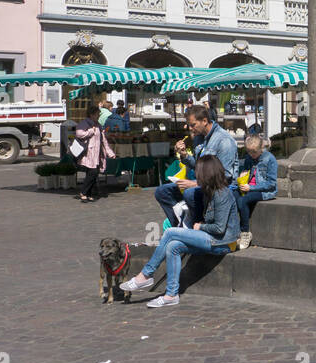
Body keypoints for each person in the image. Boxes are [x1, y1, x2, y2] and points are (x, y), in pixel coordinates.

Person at [119, 154, 239, 308]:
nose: (196, 176)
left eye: (198, 173)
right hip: (212, 237)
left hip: (224, 242)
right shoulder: (210, 191)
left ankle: (145, 275)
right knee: (173, 246)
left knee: (170, 233)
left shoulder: (222, 194)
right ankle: (171, 295)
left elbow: (220, 228)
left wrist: (200, 226)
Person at [156, 105, 240, 227]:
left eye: (193, 125)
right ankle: (179, 226)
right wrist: (184, 155)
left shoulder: (224, 141)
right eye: (189, 125)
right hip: (201, 183)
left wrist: (196, 184)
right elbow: (198, 166)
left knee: (190, 193)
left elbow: (225, 177)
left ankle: (198, 227)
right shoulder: (199, 139)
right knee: (162, 191)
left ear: (205, 121)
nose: (190, 128)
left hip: (221, 189)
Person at [232, 133, 278, 249]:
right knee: (232, 195)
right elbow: (246, 171)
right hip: (247, 186)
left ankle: (245, 232)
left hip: (264, 191)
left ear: (261, 148)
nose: (251, 155)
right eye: (249, 152)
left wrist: (251, 188)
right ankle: (233, 230)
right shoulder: (249, 158)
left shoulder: (270, 159)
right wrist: (243, 175)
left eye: (254, 152)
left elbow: (271, 184)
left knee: (243, 200)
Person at [74, 103, 116, 203]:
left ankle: (88, 194)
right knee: (92, 173)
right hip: (88, 153)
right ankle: (83, 192)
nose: (98, 116)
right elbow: (79, 133)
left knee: (93, 173)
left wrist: (110, 153)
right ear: (91, 114)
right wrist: (90, 132)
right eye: (97, 114)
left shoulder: (98, 125)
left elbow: (103, 140)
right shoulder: (85, 123)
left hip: (97, 154)